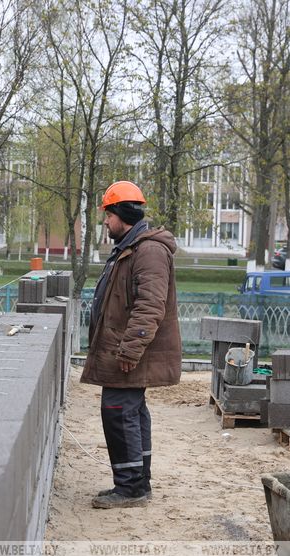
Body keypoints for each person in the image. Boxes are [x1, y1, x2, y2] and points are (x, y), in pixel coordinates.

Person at [81, 180, 181, 509]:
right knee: (131, 413)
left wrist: (129, 350)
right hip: (124, 349)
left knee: (118, 412)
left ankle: (130, 488)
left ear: (121, 214)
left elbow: (150, 306)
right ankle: (138, 482)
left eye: (107, 215)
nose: (105, 222)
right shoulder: (131, 246)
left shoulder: (148, 250)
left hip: (130, 354)